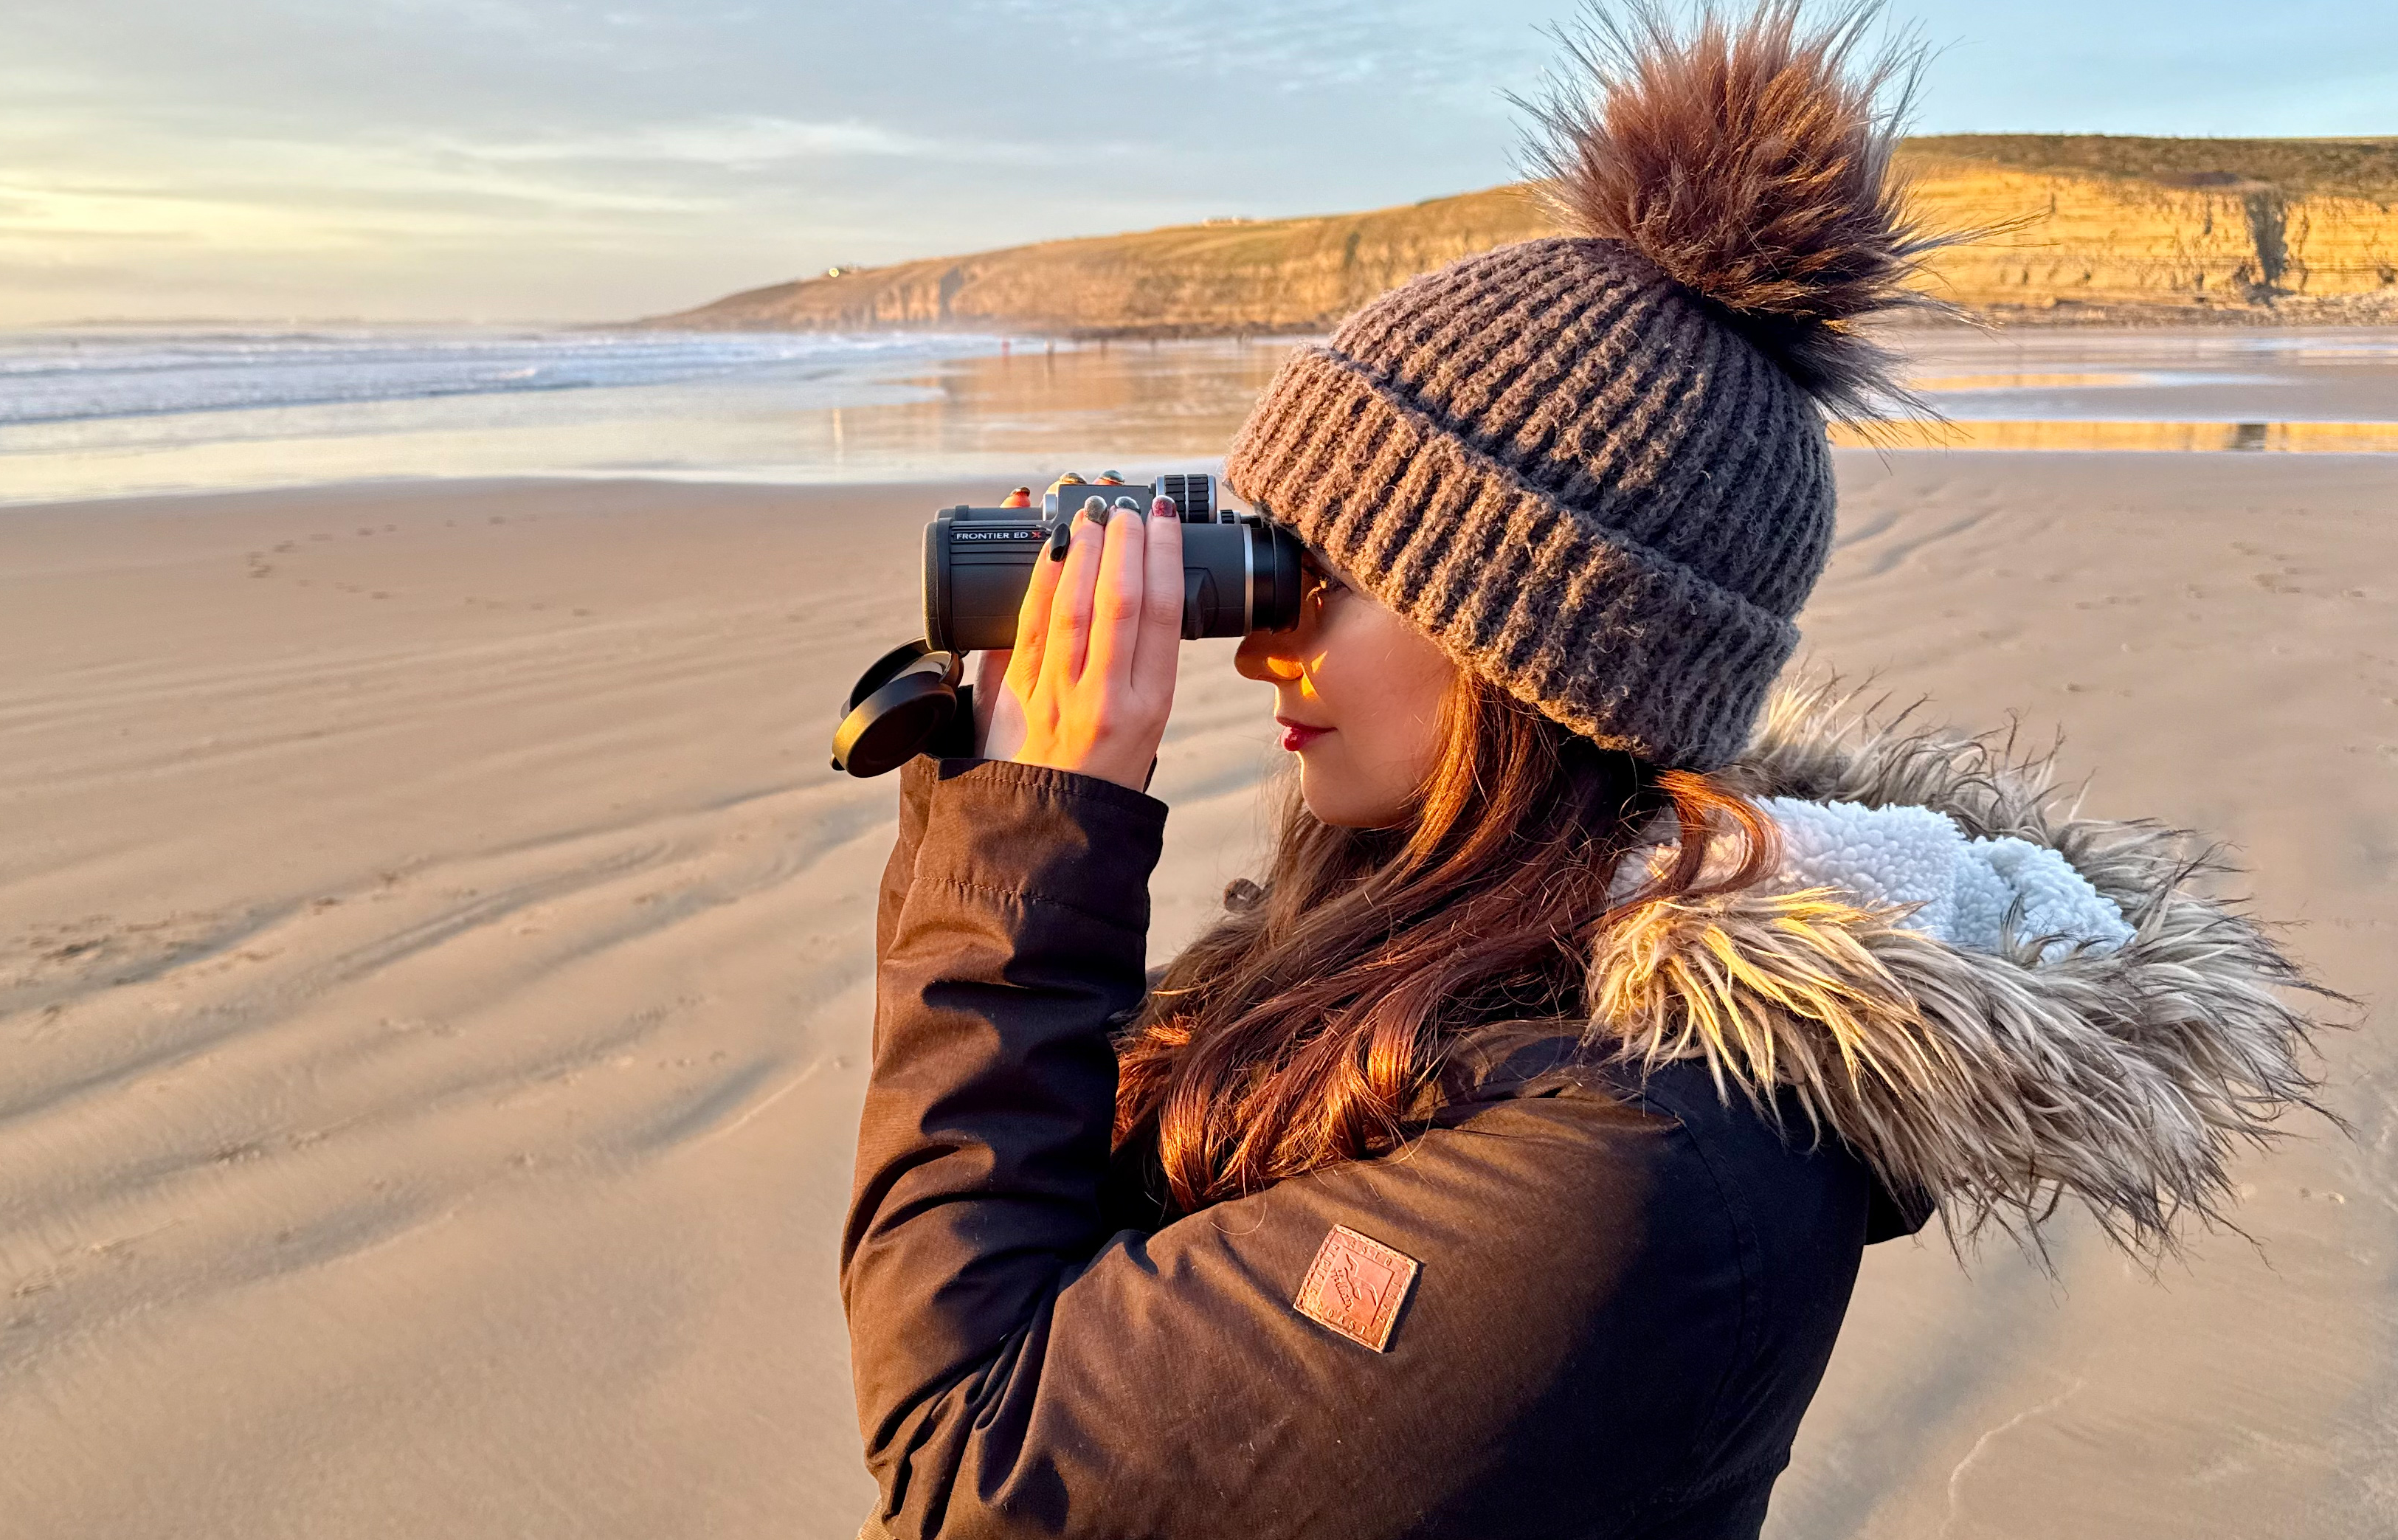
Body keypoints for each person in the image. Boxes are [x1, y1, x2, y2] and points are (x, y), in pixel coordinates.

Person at [842, 7, 2330, 1536]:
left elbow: (975, 1465)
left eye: (1319, 581)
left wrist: (1033, 857)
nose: (1257, 649)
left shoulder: (1622, 1170)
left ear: (1535, 642)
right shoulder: (1453, 951)